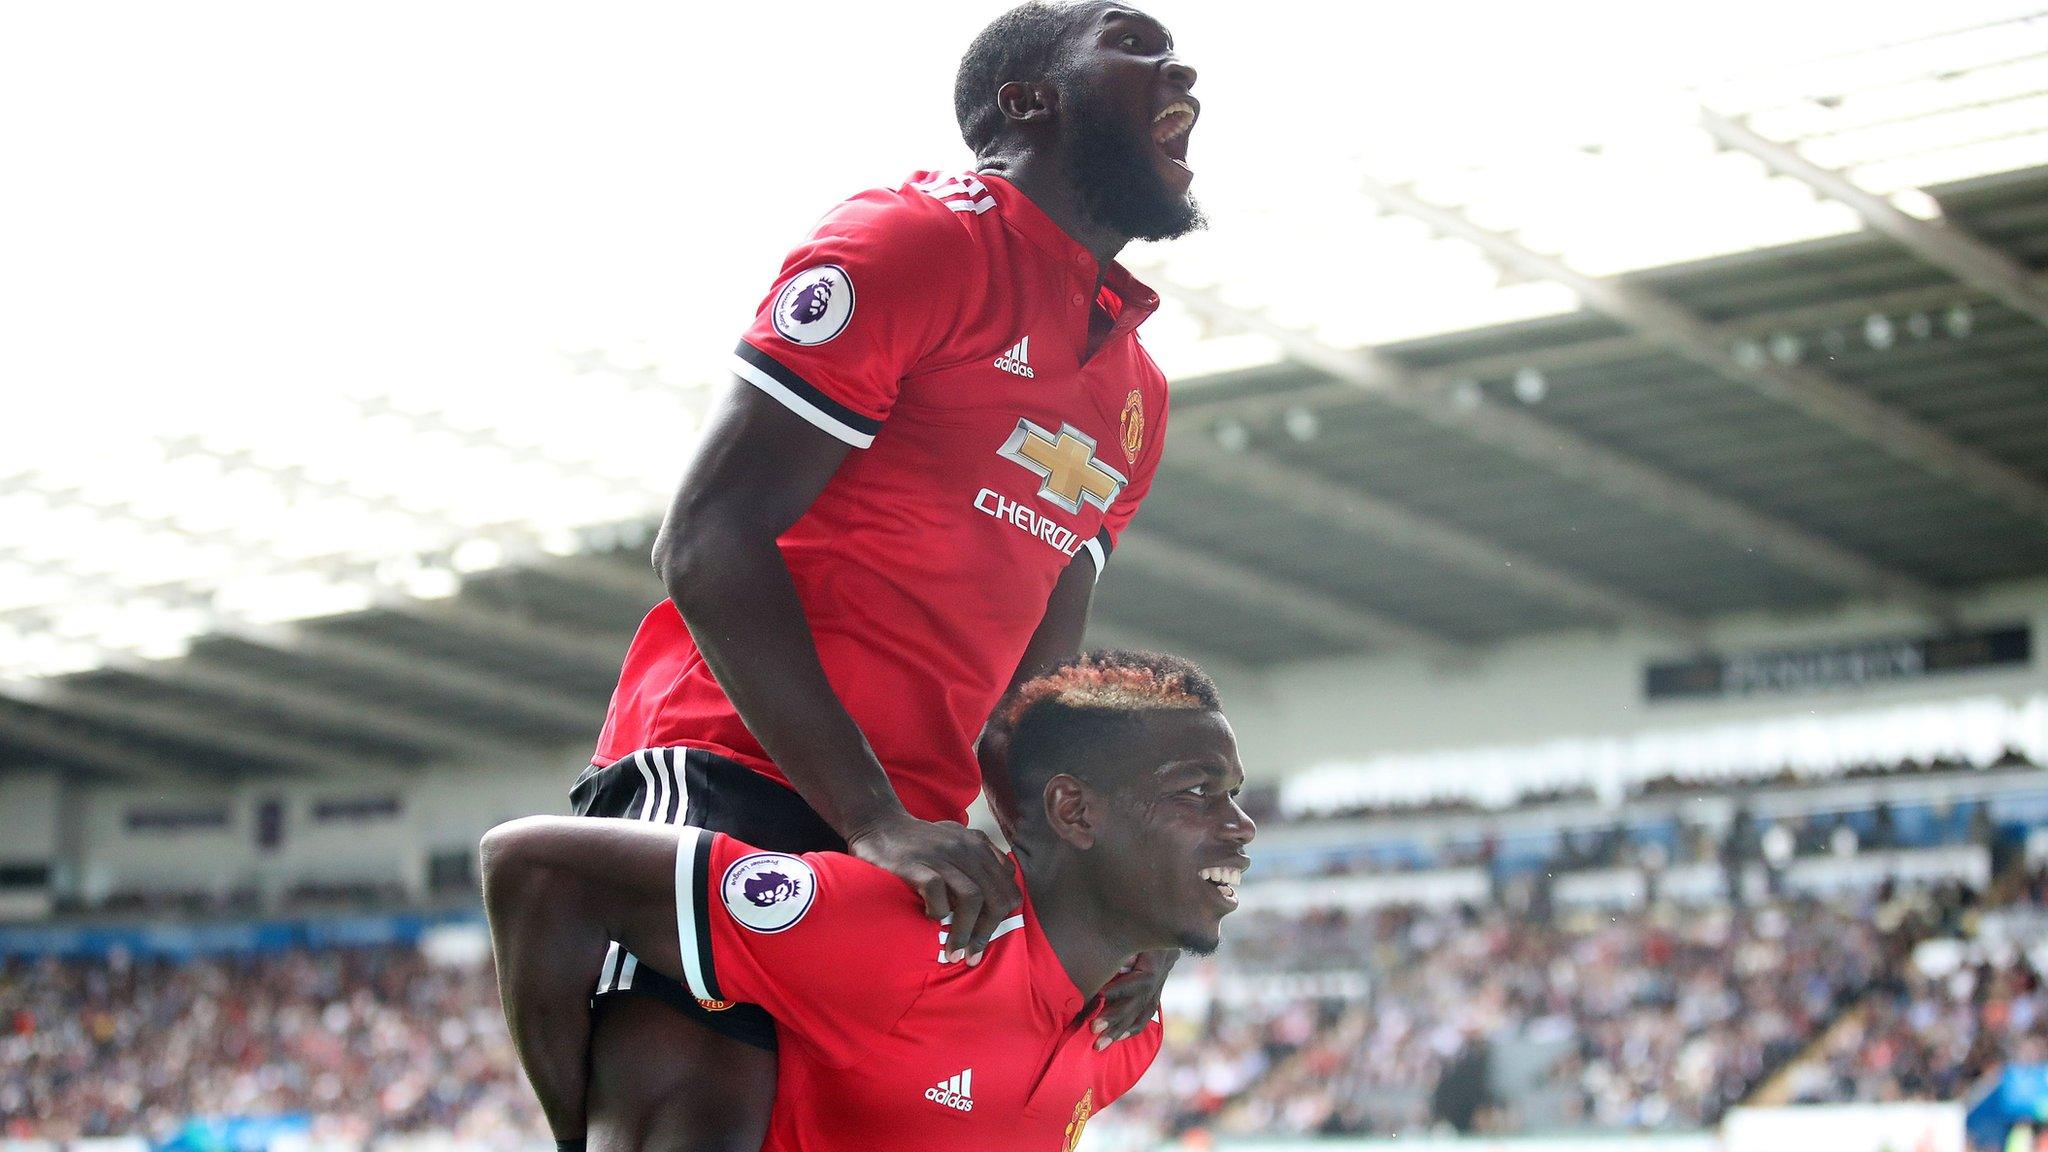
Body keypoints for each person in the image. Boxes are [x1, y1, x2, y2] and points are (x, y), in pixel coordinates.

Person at [569, 2, 1205, 1148]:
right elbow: (709, 538)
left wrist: (1101, 897)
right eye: (1133, 42)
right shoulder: (915, 242)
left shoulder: (1135, 396)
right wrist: (867, 816)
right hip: (729, 767)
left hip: (918, 836)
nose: (1182, 68)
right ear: (1027, 101)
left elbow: (1034, 695)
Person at [488, 652, 1255, 1151]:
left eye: (1234, 797)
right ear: (1074, 811)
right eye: (1198, 792)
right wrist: (570, 1133)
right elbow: (530, 864)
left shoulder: (1130, 1031)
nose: (1243, 826)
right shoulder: (908, 938)